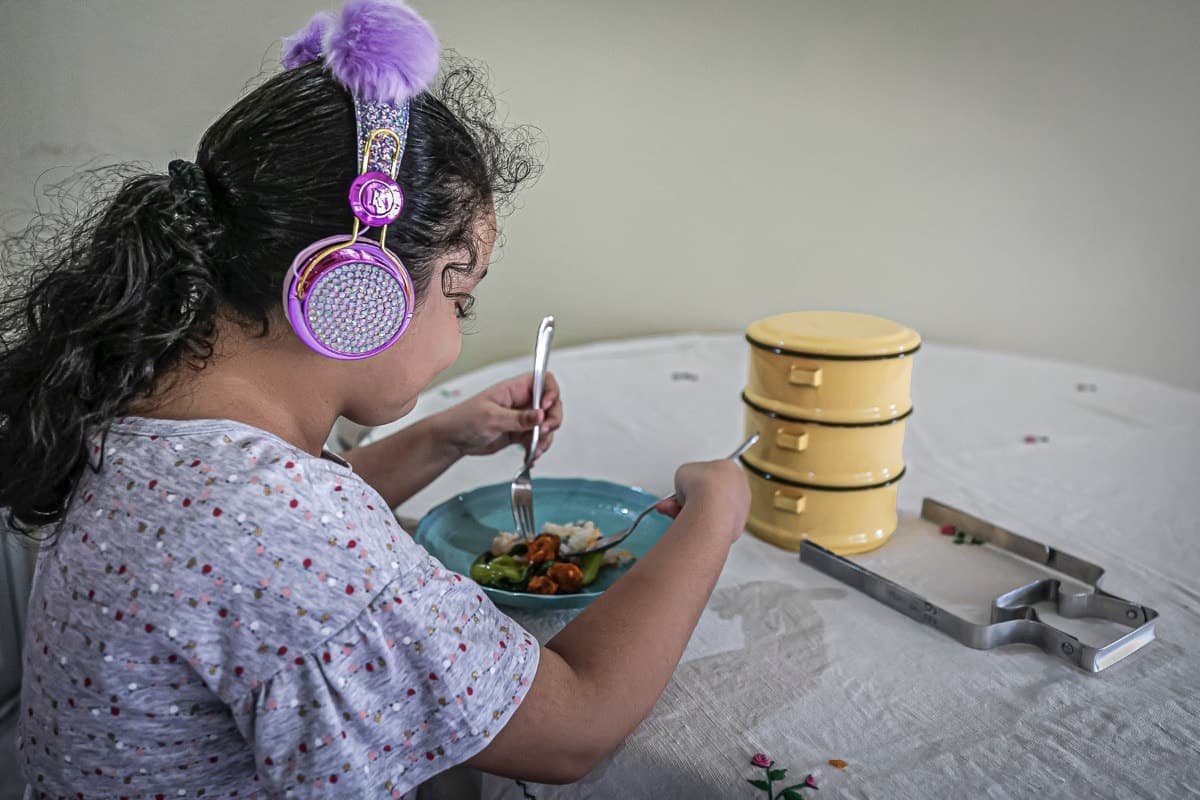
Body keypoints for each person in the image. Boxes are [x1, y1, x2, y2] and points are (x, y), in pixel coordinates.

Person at [0, 1, 751, 797]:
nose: (457, 331)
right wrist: (716, 513)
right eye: (460, 298)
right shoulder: (290, 532)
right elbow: (573, 728)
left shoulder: (144, 405)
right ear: (356, 291)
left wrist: (444, 436)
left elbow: (250, 556)